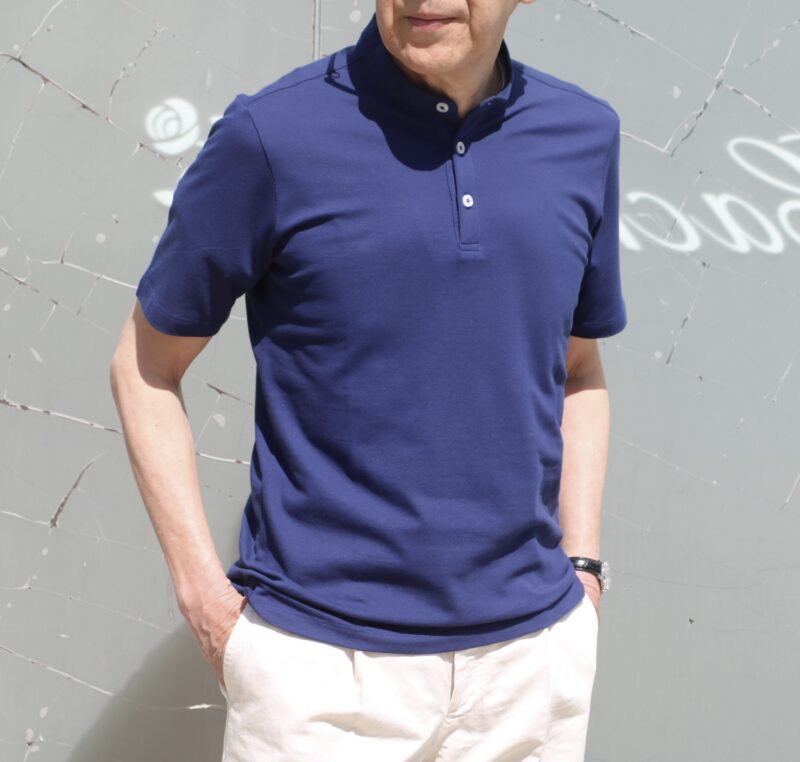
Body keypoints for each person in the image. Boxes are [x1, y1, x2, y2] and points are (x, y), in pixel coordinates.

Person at [110, 0, 626, 759]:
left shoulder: (583, 134)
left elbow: (578, 371)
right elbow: (145, 365)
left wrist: (582, 571)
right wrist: (209, 607)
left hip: (529, 673)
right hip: (320, 677)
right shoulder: (271, 136)